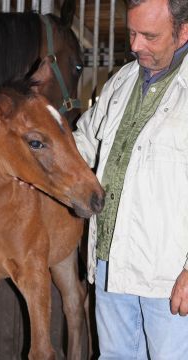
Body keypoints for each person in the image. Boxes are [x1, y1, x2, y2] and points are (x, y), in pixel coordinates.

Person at [73, 0, 188, 358]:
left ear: (184, 31)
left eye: (150, 36)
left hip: (168, 276)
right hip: (111, 263)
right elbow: (83, 145)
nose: (135, 45)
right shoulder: (122, 80)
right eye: (133, 32)